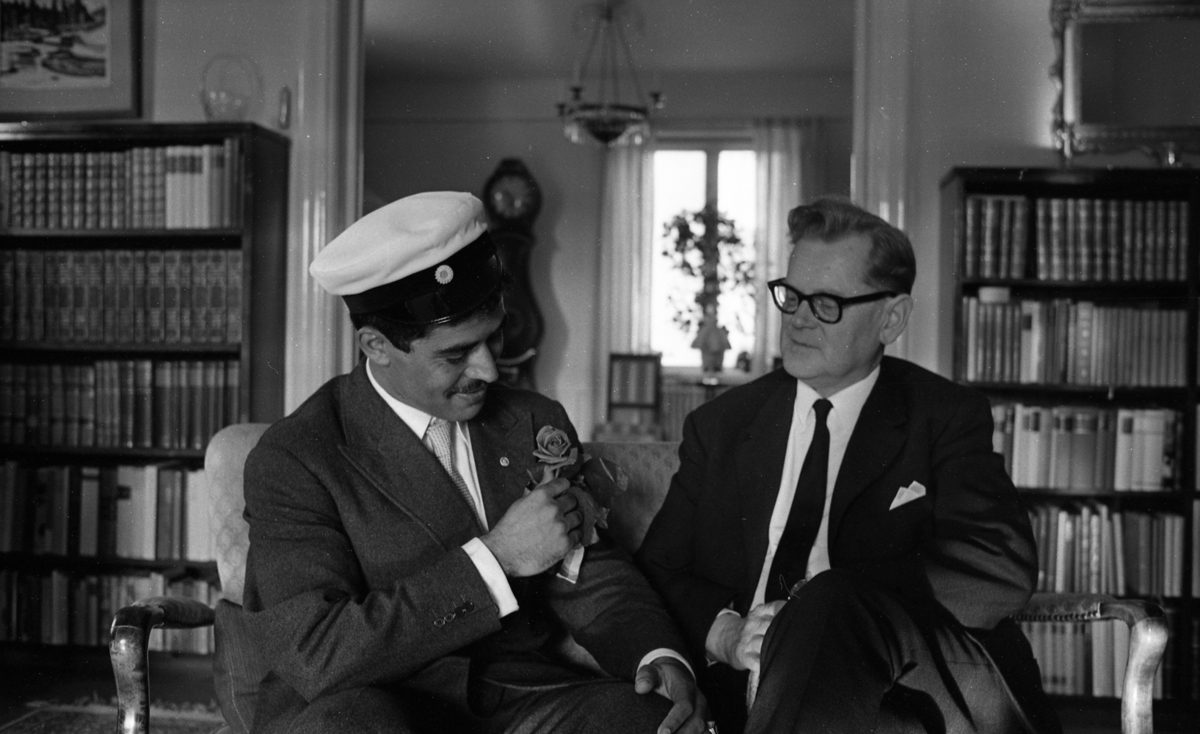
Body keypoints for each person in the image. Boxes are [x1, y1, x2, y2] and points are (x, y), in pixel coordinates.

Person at [241, 192, 709, 734]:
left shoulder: (534, 421)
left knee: (658, 722)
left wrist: (659, 656)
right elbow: (318, 654)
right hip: (370, 705)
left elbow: (589, 573)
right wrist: (497, 558)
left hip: (518, 697)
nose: (488, 370)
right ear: (376, 346)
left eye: (494, 336)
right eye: (456, 354)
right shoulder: (298, 456)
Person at [637, 197, 1058, 734]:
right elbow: (658, 570)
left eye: (826, 303)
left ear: (891, 319)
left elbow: (998, 564)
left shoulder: (943, 416)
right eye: (792, 296)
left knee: (832, 608)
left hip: (904, 684)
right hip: (753, 691)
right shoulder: (721, 425)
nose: (798, 319)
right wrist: (725, 634)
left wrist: (821, 607)